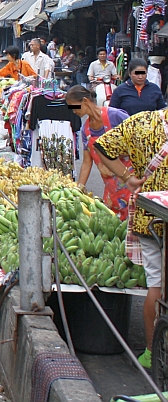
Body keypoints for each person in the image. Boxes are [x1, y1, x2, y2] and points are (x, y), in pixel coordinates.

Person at [94, 110, 168, 369]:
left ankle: (151, 352)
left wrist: (127, 178)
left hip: (151, 217)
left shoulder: (144, 121)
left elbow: (102, 146)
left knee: (156, 284)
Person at [64, 85, 131, 219]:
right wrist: (79, 188)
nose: (73, 111)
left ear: (85, 101)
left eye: (73, 106)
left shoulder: (116, 116)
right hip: (111, 189)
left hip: (131, 182)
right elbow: (87, 163)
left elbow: (137, 143)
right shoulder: (86, 130)